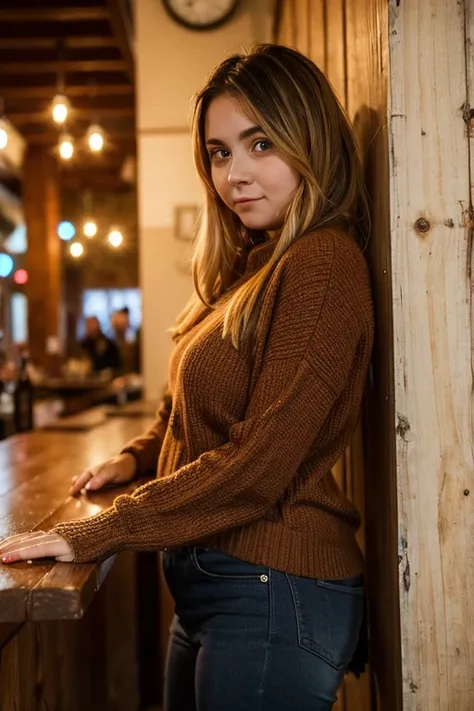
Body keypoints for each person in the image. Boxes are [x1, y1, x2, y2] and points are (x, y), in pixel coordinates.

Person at [0, 44, 374, 710]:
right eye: (220, 152)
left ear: (308, 135)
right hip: (219, 583)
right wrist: (136, 455)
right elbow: (188, 410)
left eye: (259, 143)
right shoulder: (255, 264)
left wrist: (97, 530)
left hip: (273, 586)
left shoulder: (322, 263)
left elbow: (258, 463)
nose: (235, 174)